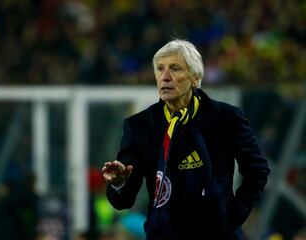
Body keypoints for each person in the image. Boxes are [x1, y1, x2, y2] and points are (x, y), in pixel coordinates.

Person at [101, 39, 271, 240]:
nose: (165, 77)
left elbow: (257, 170)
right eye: (159, 69)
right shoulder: (139, 126)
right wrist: (120, 182)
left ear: (195, 78)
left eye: (175, 68)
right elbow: (123, 201)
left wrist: (232, 217)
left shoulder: (226, 118)